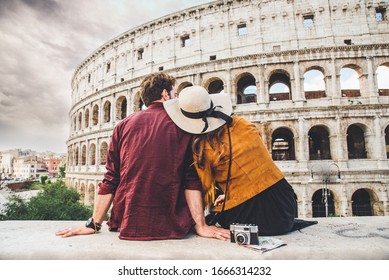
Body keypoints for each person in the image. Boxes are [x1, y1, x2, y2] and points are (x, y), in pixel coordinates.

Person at [56, 73, 229, 241]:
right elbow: (190, 180)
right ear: (165, 94)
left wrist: (93, 224)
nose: (176, 98)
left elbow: (111, 178)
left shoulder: (122, 126)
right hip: (173, 224)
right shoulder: (184, 126)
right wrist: (201, 225)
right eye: (174, 94)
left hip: (127, 222)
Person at [163, 86, 317, 236]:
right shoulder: (244, 125)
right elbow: (251, 168)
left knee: (215, 212)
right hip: (284, 206)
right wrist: (233, 192)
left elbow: (203, 188)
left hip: (251, 217)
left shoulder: (202, 148)